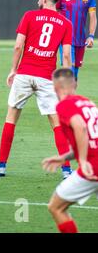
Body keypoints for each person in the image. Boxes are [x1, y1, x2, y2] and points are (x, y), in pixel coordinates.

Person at [0, 0, 73, 178]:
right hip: (46, 78)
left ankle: (1, 166)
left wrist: (12, 70)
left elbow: (18, 46)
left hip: (24, 74)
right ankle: (66, 170)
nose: (37, 1)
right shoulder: (66, 23)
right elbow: (66, 56)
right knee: (57, 123)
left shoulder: (29, 16)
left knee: (11, 119)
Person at [42, 68, 98, 233]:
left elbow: (80, 127)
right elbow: (91, 139)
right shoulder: (89, 103)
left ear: (54, 87)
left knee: (56, 207)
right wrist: (64, 157)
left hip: (92, 168)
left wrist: (81, 161)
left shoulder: (64, 105)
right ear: (76, 84)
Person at [57, 0, 96, 81]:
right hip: (65, 38)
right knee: (69, 70)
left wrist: (91, 36)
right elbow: (54, 13)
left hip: (80, 39)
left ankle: (70, 96)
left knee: (75, 73)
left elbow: (93, 17)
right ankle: (66, 97)